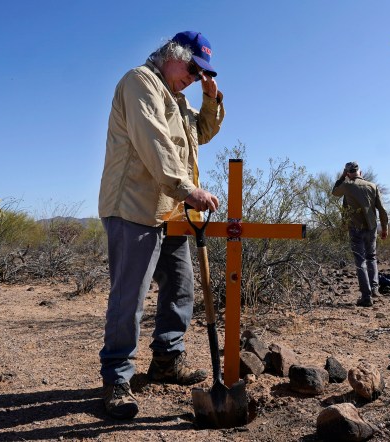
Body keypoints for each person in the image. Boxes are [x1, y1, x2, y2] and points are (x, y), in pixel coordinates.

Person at [98, 31, 225, 420]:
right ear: (172, 55)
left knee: (181, 287)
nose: (193, 75)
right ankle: (117, 380)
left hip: (169, 210)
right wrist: (186, 188)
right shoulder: (140, 82)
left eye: (200, 71)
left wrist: (211, 98)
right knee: (129, 297)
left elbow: (201, 134)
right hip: (133, 207)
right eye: (191, 68)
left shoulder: (179, 100)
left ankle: (167, 361)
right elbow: (154, 142)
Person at [332, 161, 389, 307]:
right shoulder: (372, 186)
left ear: (347, 173)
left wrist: (342, 177)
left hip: (355, 228)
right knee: (372, 258)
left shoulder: (347, 185)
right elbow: (382, 209)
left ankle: (366, 296)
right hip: (372, 228)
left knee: (360, 261)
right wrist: (385, 227)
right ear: (360, 173)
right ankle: (375, 289)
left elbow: (334, 192)